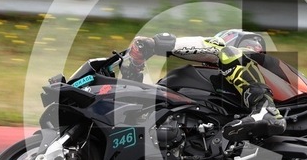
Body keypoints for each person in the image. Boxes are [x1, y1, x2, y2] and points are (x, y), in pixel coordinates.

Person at [120, 29, 287, 141]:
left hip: (274, 106)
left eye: (256, 48)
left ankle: (265, 108)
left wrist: (157, 44)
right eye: (249, 45)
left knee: (227, 52)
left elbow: (215, 47)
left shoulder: (232, 53)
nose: (255, 50)